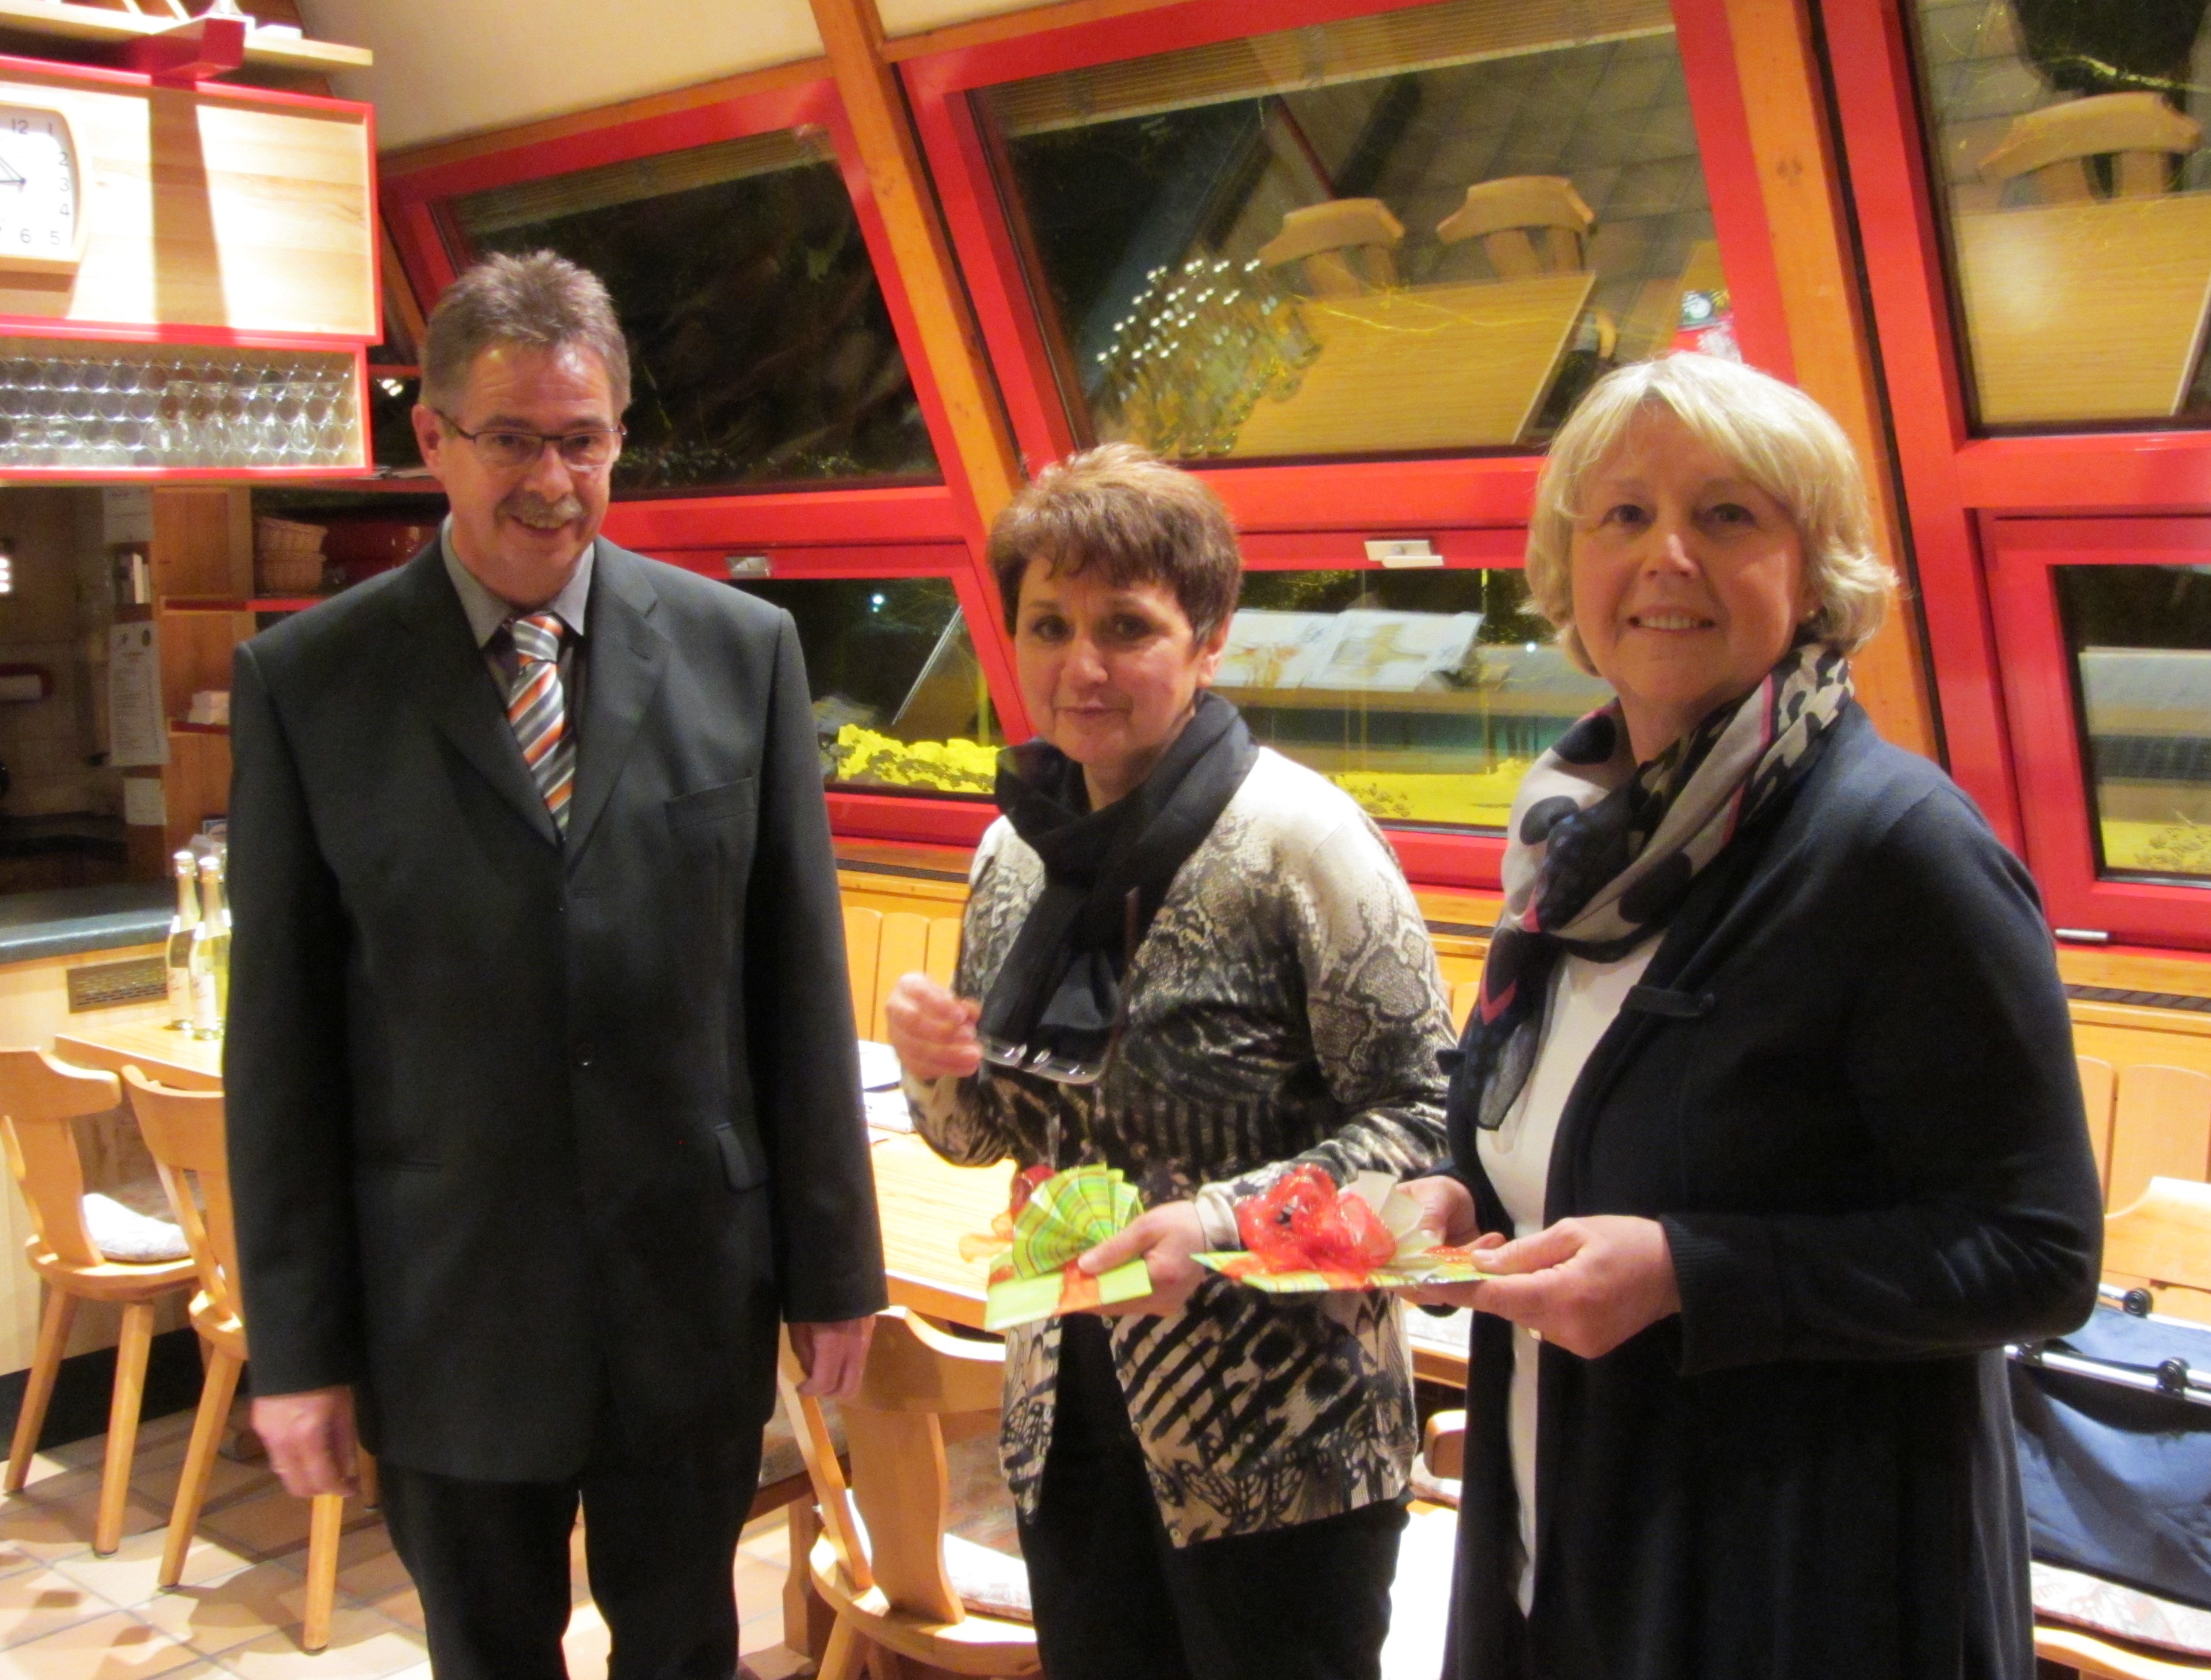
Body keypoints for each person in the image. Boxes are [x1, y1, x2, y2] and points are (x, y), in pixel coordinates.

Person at [224, 251, 885, 1680]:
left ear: (620, 437)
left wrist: (835, 1267)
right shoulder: (309, 684)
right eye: (511, 439)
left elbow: (796, 987)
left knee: (686, 1652)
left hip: (688, 1295)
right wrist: (297, 1350)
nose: (550, 480)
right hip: (447, 1310)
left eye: (581, 441)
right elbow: (278, 1052)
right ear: (432, 438)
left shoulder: (742, 653)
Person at [1400, 351, 2103, 1679]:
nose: (1663, 555)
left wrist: (1688, 1274)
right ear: (1567, 567)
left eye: (1725, 515)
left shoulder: (1897, 852)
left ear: (1814, 574)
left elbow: (2037, 1253)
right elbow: (1565, 1135)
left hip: (1801, 1587)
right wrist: (1459, 1199)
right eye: (1622, 515)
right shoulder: (1572, 845)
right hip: (1565, 1543)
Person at [885, 443, 1452, 1680]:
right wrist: (934, 1063)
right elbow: (981, 1138)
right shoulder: (1016, 852)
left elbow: (1428, 1120)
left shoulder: (1301, 843)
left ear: (1210, 640)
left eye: (1126, 627)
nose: (1080, 666)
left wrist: (1218, 1223)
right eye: (1049, 625)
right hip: (1065, 1415)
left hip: (1282, 1433)